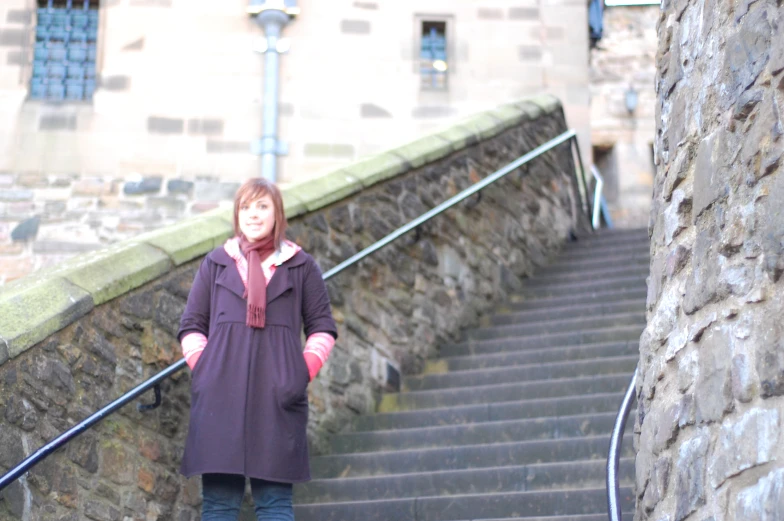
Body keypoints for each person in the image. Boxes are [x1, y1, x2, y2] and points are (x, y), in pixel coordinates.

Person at [177, 178, 338, 520]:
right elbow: (191, 325)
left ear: (277, 214)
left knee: (275, 504)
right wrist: (207, 372)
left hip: (277, 399)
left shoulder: (301, 266)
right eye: (245, 207)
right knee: (219, 505)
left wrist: (298, 374)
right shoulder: (217, 263)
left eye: (262, 206)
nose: (253, 215)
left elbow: (322, 327)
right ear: (237, 215)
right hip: (220, 398)